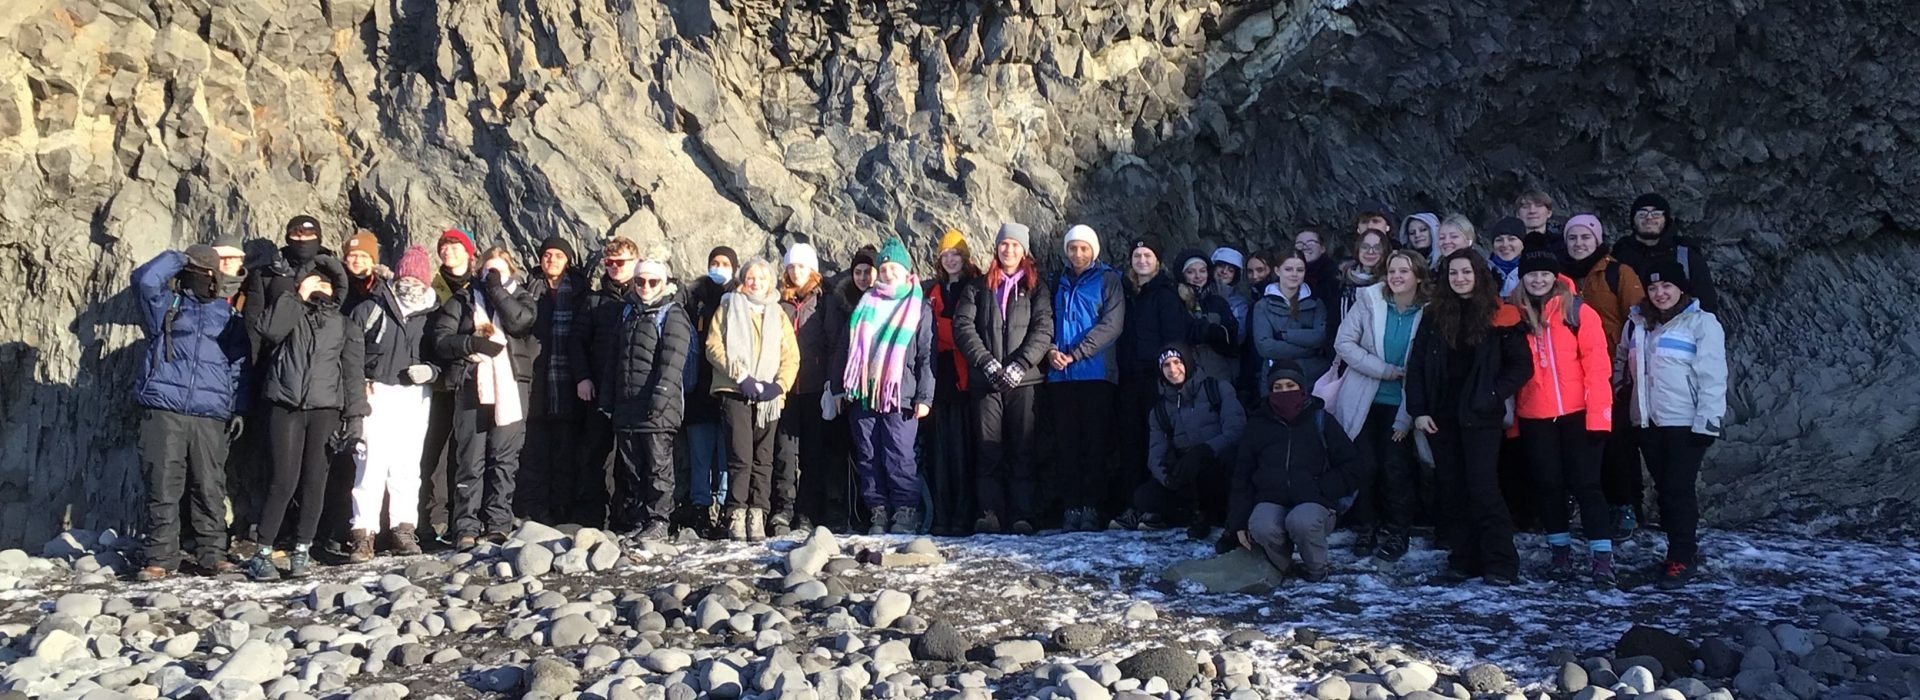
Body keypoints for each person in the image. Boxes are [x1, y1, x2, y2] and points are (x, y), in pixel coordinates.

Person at [1405, 248, 1533, 585]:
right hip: (1440, 416)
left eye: (1466, 272)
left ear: (1478, 275)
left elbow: (1521, 366)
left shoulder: (1500, 314)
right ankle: (1463, 558)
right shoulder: (1433, 315)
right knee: (1453, 489)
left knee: (1483, 488)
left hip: (1480, 416)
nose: (1460, 278)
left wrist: (1492, 394)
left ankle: (1501, 562)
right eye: (1453, 273)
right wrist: (1418, 411)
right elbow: (1416, 366)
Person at [131, 245, 250, 581]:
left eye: (205, 271)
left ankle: (212, 554)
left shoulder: (228, 317)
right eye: (194, 270)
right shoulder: (166, 306)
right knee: (163, 485)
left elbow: (240, 366)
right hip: (163, 406)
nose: (199, 277)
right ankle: (159, 557)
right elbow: (143, 281)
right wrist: (180, 257)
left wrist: (239, 407)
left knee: (210, 486)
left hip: (211, 413)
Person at [249, 258, 367, 580]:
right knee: (283, 480)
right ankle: (262, 551)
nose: (321, 287)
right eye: (315, 281)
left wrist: (355, 418)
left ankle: (302, 549)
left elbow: (354, 375)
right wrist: (297, 295)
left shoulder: (344, 325)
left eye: (327, 283)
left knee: (315, 481)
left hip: (325, 410)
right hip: (284, 405)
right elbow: (268, 331)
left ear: (337, 289)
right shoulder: (290, 312)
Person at [1615, 260, 1726, 589]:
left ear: (1681, 289)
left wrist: (1707, 421)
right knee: (1664, 488)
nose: (1660, 293)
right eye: (1653, 288)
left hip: (1685, 421)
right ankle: (1675, 550)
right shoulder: (1637, 323)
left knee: (1679, 489)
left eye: (1667, 286)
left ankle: (1683, 555)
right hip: (1647, 421)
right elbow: (1623, 361)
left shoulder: (1701, 323)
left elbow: (1713, 376)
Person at [1509, 250, 1616, 583]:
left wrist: (1599, 418)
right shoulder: (1513, 314)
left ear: (1555, 276)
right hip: (1534, 416)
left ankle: (1601, 557)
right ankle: (1560, 554)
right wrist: (1512, 423)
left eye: (1544, 273)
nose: (1538, 279)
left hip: (1577, 414)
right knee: (1548, 486)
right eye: (1531, 274)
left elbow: (1598, 368)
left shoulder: (1577, 311)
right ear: (1522, 277)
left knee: (1587, 486)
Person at [576, 250, 693, 539]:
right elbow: (615, 360)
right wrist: (607, 399)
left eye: (653, 282)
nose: (645, 287)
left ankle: (659, 520)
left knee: (658, 465)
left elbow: (673, 360)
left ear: (664, 282)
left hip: (657, 407)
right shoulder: (628, 312)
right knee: (632, 467)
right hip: (626, 404)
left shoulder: (672, 313)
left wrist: (660, 397)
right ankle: (640, 518)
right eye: (640, 281)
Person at [429, 241, 537, 550]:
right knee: (470, 458)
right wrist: (472, 345)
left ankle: (498, 523)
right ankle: (465, 525)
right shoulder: (463, 300)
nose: (493, 276)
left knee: (504, 458)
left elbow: (520, 322)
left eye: (499, 271)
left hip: (512, 385)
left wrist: (496, 290)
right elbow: (442, 339)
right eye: (488, 271)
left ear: (510, 273)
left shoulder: (521, 297)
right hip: (471, 384)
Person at [953, 223, 1054, 535]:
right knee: (988, 450)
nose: (1009, 250)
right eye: (1004, 244)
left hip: (1025, 382)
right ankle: (989, 513)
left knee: (1023, 449)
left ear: (1024, 250)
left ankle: (1023, 515)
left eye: (1015, 245)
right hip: (987, 382)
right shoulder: (978, 287)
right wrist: (986, 363)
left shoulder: (1037, 287)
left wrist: (1021, 364)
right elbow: (963, 327)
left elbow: (1043, 328)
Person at [343, 246, 439, 562]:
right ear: (398, 274)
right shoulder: (371, 307)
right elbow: (351, 354)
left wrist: (432, 372)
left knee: (407, 466)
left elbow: (442, 356)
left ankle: (403, 529)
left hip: (414, 395)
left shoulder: (434, 312)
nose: (411, 279)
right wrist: (358, 387)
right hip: (377, 391)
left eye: (417, 274)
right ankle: (363, 533)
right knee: (369, 464)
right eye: (407, 272)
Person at [1331, 249, 1427, 563]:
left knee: (1396, 468)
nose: (1397, 277)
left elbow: (1425, 365)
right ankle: (1367, 528)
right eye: (1392, 271)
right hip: (1365, 398)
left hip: (1403, 402)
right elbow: (1343, 343)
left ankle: (1398, 531)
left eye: (1404, 271)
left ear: (1418, 276)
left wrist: (1406, 417)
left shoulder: (1428, 311)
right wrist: (1383, 369)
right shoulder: (1369, 302)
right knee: (1366, 466)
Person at [835, 237, 936, 535]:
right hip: (863, 393)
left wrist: (925, 396)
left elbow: (926, 354)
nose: (888, 273)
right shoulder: (865, 304)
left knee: (899, 453)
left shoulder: (918, 306)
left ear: (906, 271)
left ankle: (905, 511)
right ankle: (878, 510)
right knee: (867, 453)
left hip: (900, 394)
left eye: (894, 267)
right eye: (884, 267)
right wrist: (841, 388)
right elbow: (848, 348)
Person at [1230, 366, 1364, 583]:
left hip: (1314, 501)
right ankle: (1282, 568)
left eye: (1290, 386)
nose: (1285, 392)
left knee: (1301, 521)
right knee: (1261, 525)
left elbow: (1353, 465)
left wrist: (1321, 488)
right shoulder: (1257, 424)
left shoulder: (1321, 419)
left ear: (1301, 388)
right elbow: (1242, 475)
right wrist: (1236, 522)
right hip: (1271, 498)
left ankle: (1316, 570)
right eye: (1278, 387)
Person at [1561, 214, 1650, 540]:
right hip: (1569, 374)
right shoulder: (1559, 277)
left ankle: (1624, 505)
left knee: (1616, 444)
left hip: (1612, 373)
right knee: (1579, 443)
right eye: (1573, 238)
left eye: (1586, 237)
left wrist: (1628, 368)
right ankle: (1588, 504)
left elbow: (1640, 318)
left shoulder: (1617, 273)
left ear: (1597, 239)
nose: (1579, 243)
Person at [707, 259, 800, 541]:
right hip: (735, 390)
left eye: (761, 277)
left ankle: (758, 512)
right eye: (750, 277)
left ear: (770, 282)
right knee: (740, 456)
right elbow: (714, 346)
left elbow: (791, 356)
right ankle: (736, 512)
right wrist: (741, 376)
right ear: (742, 280)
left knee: (764, 458)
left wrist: (779, 385)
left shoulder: (778, 314)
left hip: (768, 397)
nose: (755, 282)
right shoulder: (727, 306)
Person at [1111, 344, 1245, 537]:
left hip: (1217, 463)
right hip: (1186, 472)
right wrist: (1167, 478)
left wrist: (1206, 450)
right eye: (1166, 365)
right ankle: (1189, 515)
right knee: (1144, 497)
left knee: (1231, 461)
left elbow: (1236, 431)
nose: (1173, 370)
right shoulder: (1159, 411)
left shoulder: (1218, 389)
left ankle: (1222, 516)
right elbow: (1156, 454)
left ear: (1188, 363)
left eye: (1177, 362)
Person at [1048, 224, 1128, 531]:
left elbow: (1112, 325)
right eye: (1072, 248)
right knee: (1066, 445)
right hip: (1061, 376)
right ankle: (1071, 507)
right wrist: (1052, 350)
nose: (1078, 253)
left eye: (1084, 248)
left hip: (1096, 374)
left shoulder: (1109, 280)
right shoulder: (1058, 280)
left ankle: (1093, 507)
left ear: (1093, 250)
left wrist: (1078, 352)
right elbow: (1047, 320)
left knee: (1096, 444)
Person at [566, 237, 641, 532]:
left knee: (630, 457)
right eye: (609, 263)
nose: (613, 268)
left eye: (620, 262)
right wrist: (582, 377)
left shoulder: (644, 298)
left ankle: (626, 517)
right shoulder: (594, 300)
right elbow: (576, 342)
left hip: (631, 391)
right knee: (595, 455)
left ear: (635, 262)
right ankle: (592, 517)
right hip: (597, 389)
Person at [520, 236, 593, 525]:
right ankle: (534, 512)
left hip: (569, 382)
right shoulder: (529, 291)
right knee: (534, 454)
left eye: (558, 255)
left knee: (566, 454)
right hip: (536, 382)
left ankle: (563, 512)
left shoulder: (580, 292)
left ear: (568, 260)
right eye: (547, 255)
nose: (551, 260)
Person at [1116, 237, 1188, 523]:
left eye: (1148, 255)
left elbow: (1174, 338)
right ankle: (1131, 504)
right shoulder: (1127, 292)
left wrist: (1168, 375)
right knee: (1130, 443)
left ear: (1157, 260)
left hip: (1156, 378)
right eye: (1137, 255)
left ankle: (1156, 504)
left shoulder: (1166, 294)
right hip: (1128, 376)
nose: (1142, 260)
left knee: (1157, 442)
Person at [923, 231, 982, 535]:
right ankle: (941, 514)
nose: (950, 259)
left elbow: (966, 331)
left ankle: (964, 515)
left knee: (963, 452)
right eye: (945, 255)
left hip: (966, 379)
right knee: (940, 453)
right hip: (937, 381)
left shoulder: (974, 287)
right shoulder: (932, 289)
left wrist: (940, 329)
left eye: (955, 254)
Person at [682, 246, 739, 535]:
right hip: (698, 388)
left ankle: (724, 507)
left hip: (730, 387)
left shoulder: (739, 299)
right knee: (700, 453)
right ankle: (701, 507)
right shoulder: (694, 299)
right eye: (714, 262)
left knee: (727, 455)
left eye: (725, 263)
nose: (719, 267)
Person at [775, 242, 829, 536]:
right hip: (785, 387)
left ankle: (808, 512)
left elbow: (831, 340)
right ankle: (784, 508)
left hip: (814, 385)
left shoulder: (822, 301)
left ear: (813, 270)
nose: (796, 271)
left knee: (813, 452)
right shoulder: (777, 302)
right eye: (792, 266)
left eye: (802, 266)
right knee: (784, 452)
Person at [1613, 193, 1720, 315]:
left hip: (1683, 329)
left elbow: (1707, 302)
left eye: (1656, 214)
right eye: (1642, 214)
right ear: (1633, 220)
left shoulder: (1685, 256)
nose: (1649, 218)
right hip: (1633, 329)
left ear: (1666, 219)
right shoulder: (1621, 255)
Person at [1251, 250, 1331, 381]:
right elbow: (1265, 347)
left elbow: (1320, 337)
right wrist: (1310, 350)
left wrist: (1284, 335)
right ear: (1277, 271)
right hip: (1278, 377)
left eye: (1300, 270)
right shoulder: (1262, 305)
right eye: (1288, 269)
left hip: (1315, 376)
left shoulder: (1316, 302)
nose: (1294, 274)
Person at [1173, 249, 1240, 384]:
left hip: (1218, 374)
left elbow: (1232, 340)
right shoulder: (1173, 301)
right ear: (1182, 275)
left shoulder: (1217, 302)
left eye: (1202, 271)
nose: (1198, 276)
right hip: (1185, 374)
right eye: (1191, 272)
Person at [1337, 229, 1390, 318]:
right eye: (1365, 247)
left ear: (1384, 251)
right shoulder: (1341, 279)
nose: (1370, 252)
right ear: (1358, 250)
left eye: (1377, 248)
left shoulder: (1390, 282)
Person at [1294, 228, 1341, 310]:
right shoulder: (1288, 275)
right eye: (1299, 243)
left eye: (1311, 242)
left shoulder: (1335, 276)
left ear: (1322, 248)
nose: (1305, 247)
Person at [1210, 246, 1251, 333]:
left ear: (1235, 277)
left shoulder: (1239, 303)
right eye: (1221, 266)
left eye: (1231, 270)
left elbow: (1239, 335)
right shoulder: (1201, 292)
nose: (1224, 272)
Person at [1516, 191, 1566, 259]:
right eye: (1525, 207)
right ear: (1518, 214)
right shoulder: (1510, 245)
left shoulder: (1562, 244)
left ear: (1549, 213)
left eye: (1538, 206)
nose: (1532, 211)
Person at [340, 230, 381, 312]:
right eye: (352, 255)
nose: (357, 260)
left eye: (364, 256)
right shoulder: (336, 282)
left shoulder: (383, 288)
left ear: (373, 261)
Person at [1487, 217, 1526, 296]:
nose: (1505, 245)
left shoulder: (1533, 272)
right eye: (1499, 240)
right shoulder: (1481, 270)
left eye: (1511, 239)